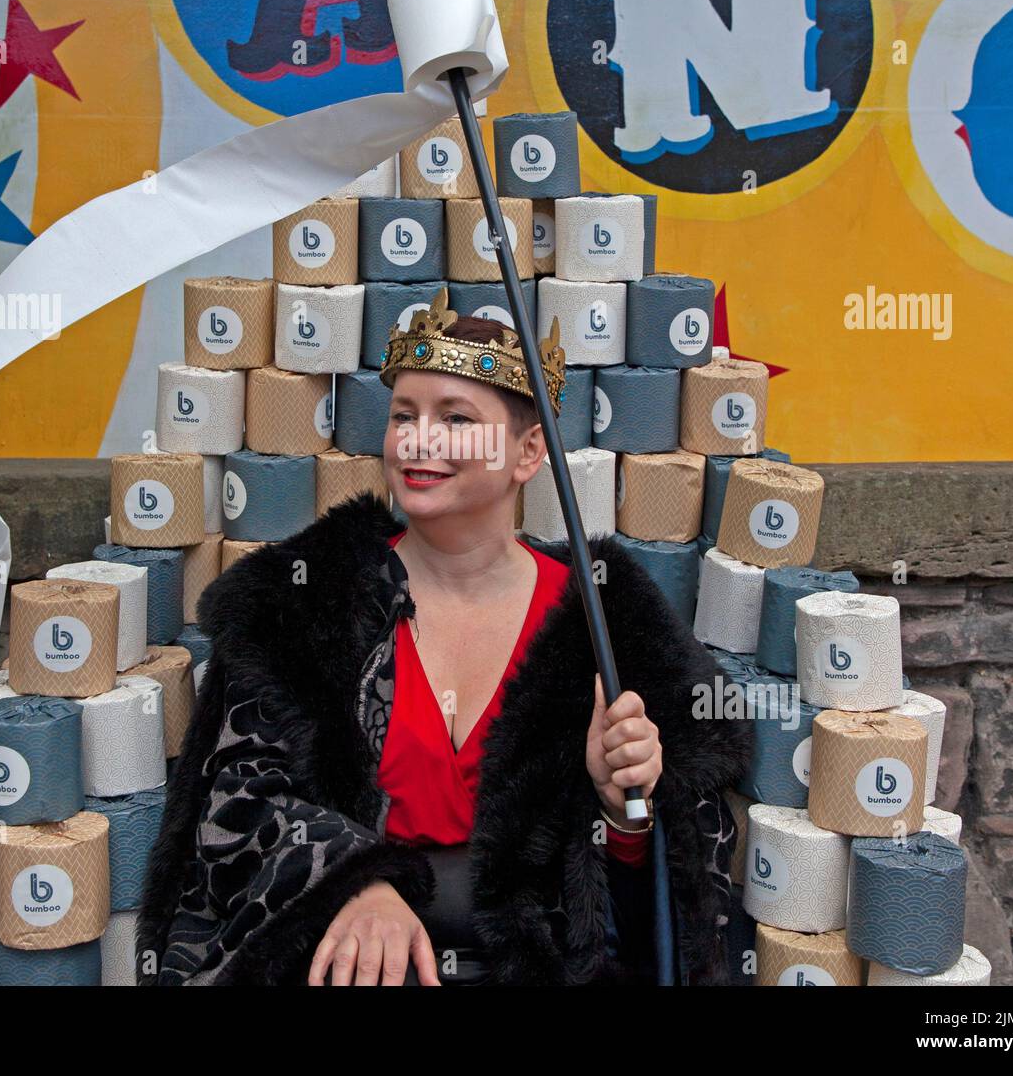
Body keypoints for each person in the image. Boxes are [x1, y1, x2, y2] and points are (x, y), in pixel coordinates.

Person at [138, 288, 752, 986]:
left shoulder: (609, 626)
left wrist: (624, 814)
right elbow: (235, 807)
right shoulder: (308, 601)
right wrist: (358, 881)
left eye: (455, 418)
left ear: (527, 452)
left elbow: (677, 915)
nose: (418, 439)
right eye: (404, 415)